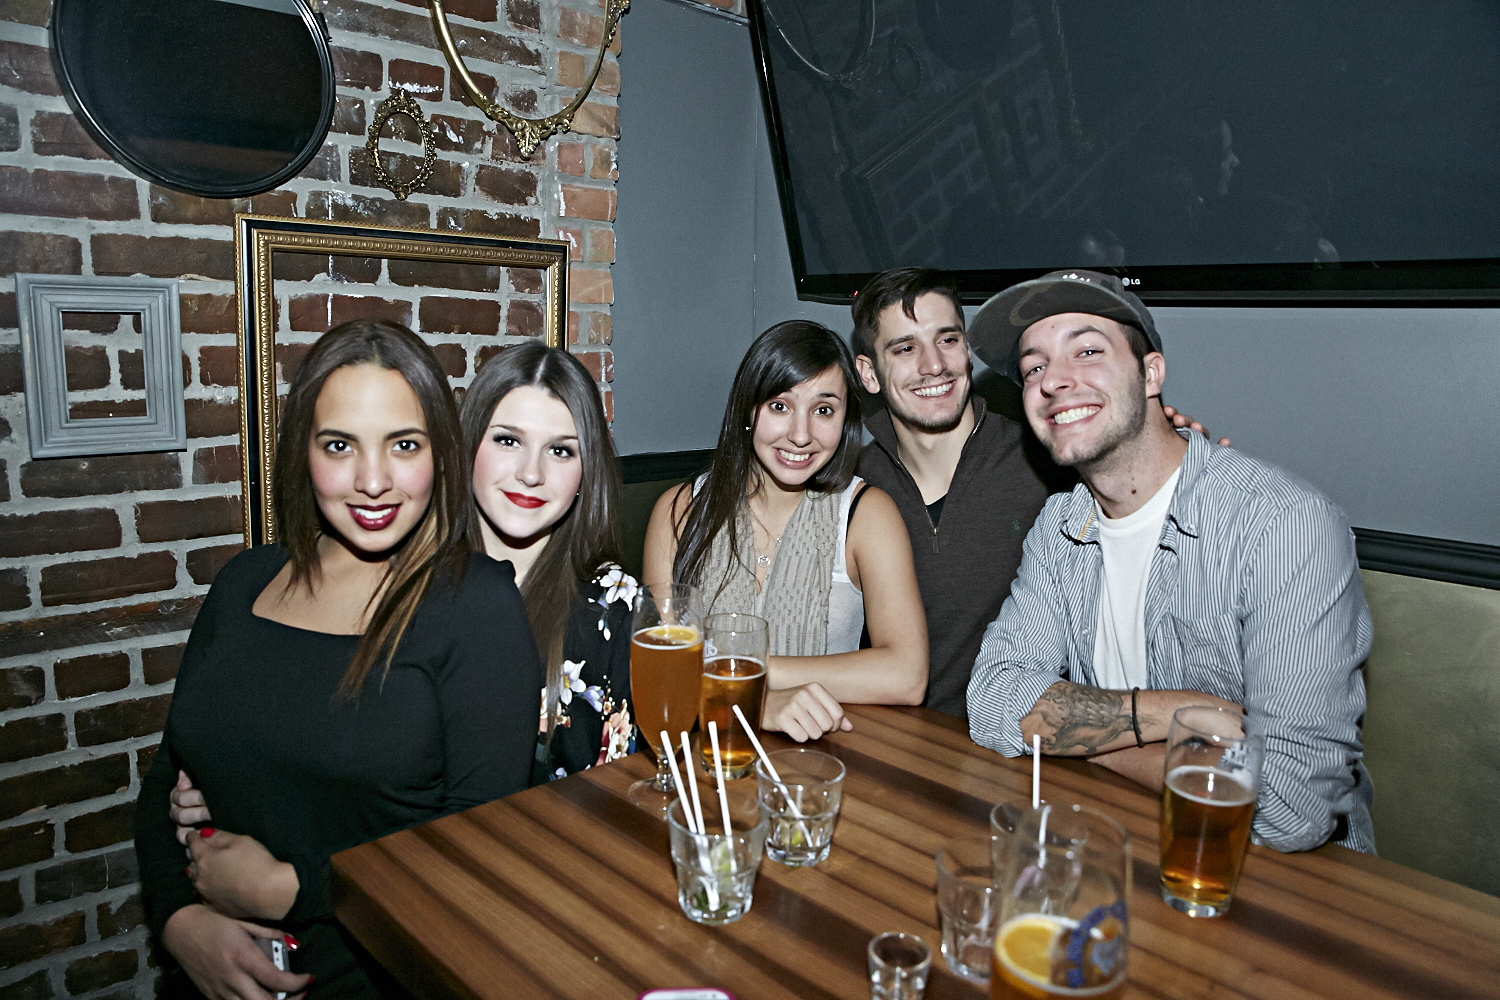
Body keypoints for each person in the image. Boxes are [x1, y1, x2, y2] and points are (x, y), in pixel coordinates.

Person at [136, 320, 543, 999]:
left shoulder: (475, 607)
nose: (373, 481)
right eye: (339, 445)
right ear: (304, 451)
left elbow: (479, 854)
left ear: (440, 453)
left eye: (402, 445)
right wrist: (178, 921)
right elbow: (164, 783)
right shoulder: (245, 582)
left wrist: (290, 888)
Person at [963, 269, 1374, 853]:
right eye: (1033, 367)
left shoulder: (1283, 527)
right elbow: (993, 706)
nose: (1055, 380)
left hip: (1284, 888)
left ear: (1151, 373)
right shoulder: (1060, 527)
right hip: (1118, 846)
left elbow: (1289, 808)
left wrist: (1084, 738)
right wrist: (1185, 714)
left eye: (1087, 350)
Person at [851, 268, 1223, 718]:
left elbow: (1142, 476)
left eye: (948, 340)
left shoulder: (1054, 457)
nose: (934, 365)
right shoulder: (851, 484)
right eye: (906, 348)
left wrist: (1175, 448)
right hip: (891, 746)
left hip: (1030, 751)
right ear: (869, 374)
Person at [643, 320, 928, 741]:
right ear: (747, 409)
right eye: (780, 406)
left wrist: (748, 676)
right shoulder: (679, 511)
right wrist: (757, 702)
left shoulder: (867, 514)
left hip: (821, 763)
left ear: (846, 419)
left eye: (824, 410)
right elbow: (660, 671)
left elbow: (907, 675)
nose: (800, 435)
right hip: (700, 758)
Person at [457, 342, 636, 781]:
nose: (531, 473)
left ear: (585, 472)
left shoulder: (615, 609)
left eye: (560, 451)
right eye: (508, 440)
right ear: (467, 446)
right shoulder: (408, 586)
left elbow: (622, 798)